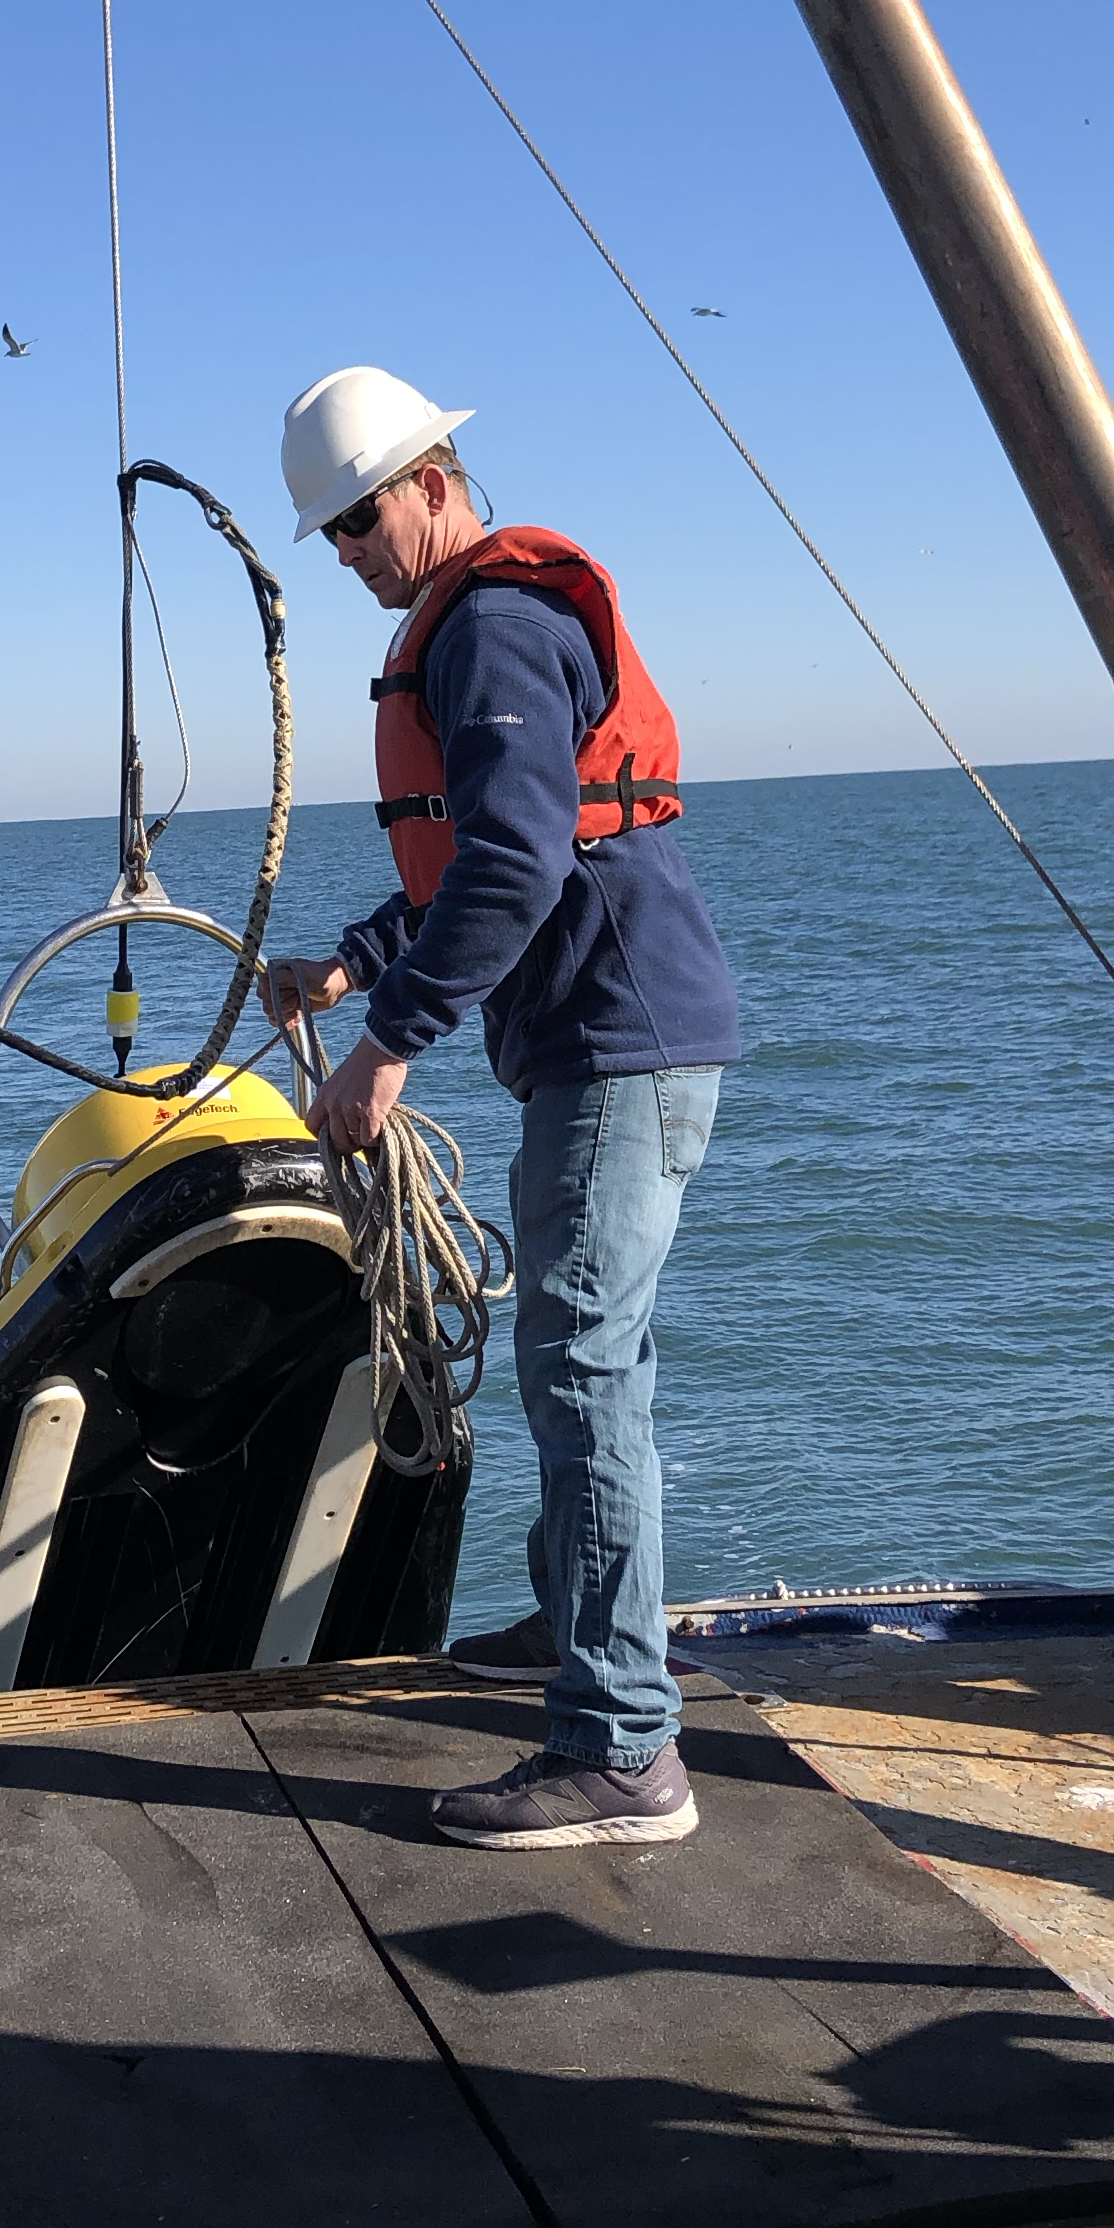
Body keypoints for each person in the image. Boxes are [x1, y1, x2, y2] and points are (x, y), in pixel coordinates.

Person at [265, 367, 740, 1852]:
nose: (350, 552)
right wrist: (354, 958)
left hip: (617, 1045)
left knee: (583, 1369)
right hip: (620, 1038)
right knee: (598, 1365)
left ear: (432, 478)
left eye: (358, 517)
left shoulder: (491, 625)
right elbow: (486, 858)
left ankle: (620, 1750)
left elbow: (521, 860)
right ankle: (583, 1632)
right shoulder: (483, 626)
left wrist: (388, 1044)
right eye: (330, 533)